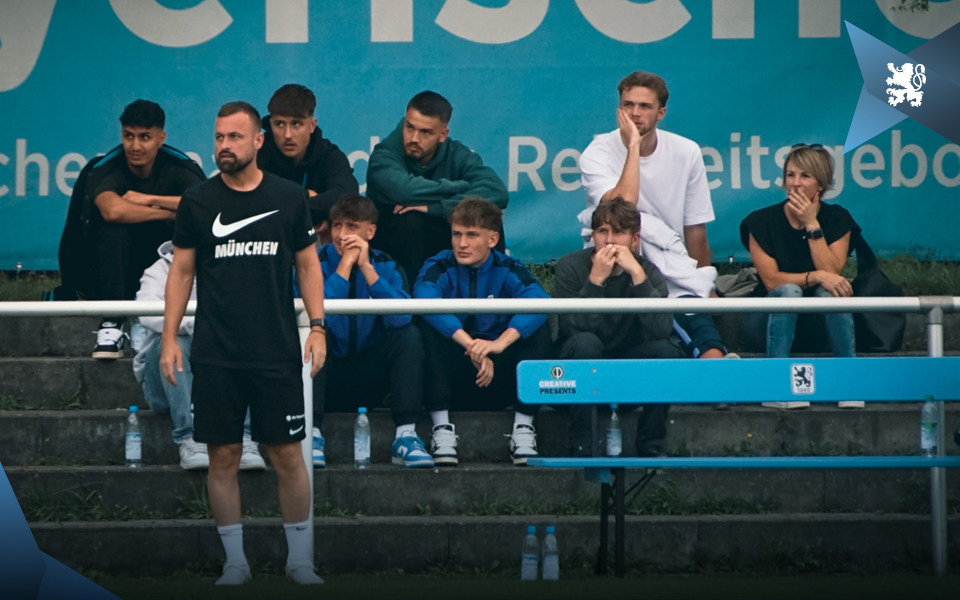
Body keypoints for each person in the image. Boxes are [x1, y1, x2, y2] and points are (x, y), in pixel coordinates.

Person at [161, 101, 327, 585]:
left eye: (234, 137)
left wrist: (317, 327)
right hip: (216, 353)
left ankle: (300, 561)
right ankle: (235, 562)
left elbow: (308, 266)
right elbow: (182, 271)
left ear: (259, 141)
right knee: (223, 456)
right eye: (218, 137)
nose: (224, 147)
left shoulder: (289, 197)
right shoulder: (198, 201)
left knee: (287, 456)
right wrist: (170, 338)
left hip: (276, 350)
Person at [577, 72, 731, 364]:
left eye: (645, 106)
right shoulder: (595, 153)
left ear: (662, 112)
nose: (635, 113)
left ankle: (720, 378)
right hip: (612, 261)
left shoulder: (687, 151)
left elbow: (695, 230)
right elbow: (623, 210)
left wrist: (701, 283)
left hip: (669, 266)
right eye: (627, 104)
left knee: (697, 323)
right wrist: (633, 147)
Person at [297, 195, 433, 469]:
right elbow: (315, 315)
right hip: (327, 374)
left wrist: (367, 270)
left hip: (370, 377)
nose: (342, 235)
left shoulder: (388, 265)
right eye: (337, 226)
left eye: (351, 227)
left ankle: (406, 434)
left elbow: (401, 318)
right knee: (312, 334)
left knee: (409, 336)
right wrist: (345, 267)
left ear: (370, 231)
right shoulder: (311, 263)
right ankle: (310, 433)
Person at [413, 198, 551, 466]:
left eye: (472, 235)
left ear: (492, 238)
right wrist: (473, 346)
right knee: (425, 328)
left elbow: (540, 303)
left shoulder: (509, 267)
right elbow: (424, 300)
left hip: (498, 375)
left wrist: (497, 345)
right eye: (456, 234)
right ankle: (441, 428)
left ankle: (523, 428)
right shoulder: (438, 265)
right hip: (454, 376)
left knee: (537, 328)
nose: (461, 244)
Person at [554, 198, 686, 457]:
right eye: (602, 232)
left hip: (628, 374)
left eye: (619, 232)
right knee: (585, 343)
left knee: (666, 350)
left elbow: (661, 329)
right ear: (593, 236)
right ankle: (582, 443)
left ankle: (652, 444)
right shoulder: (570, 267)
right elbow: (574, 329)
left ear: (635, 239)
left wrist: (638, 277)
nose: (610, 241)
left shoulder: (648, 271)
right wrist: (595, 281)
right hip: (577, 374)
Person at [740, 144, 861, 409]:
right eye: (790, 175)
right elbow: (772, 280)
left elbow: (832, 273)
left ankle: (848, 382)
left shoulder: (838, 218)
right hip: (768, 321)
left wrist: (812, 224)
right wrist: (814, 275)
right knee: (789, 291)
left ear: (821, 183)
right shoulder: (760, 221)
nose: (795, 183)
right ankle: (777, 387)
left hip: (817, 324)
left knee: (831, 291)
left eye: (805, 176)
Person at [85, 100, 205, 360]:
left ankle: (146, 317)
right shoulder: (109, 166)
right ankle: (113, 321)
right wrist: (166, 213)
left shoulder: (181, 167)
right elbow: (112, 210)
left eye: (145, 137)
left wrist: (148, 198)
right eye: (129, 136)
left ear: (161, 138)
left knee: (185, 228)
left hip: (166, 263)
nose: (135, 146)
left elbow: (206, 205)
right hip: (116, 265)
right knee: (113, 228)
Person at [133, 241, 264, 471]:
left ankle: (244, 436)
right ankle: (189, 438)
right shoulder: (158, 270)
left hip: (218, 382)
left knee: (247, 338)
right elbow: (147, 314)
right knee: (175, 340)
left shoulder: (231, 266)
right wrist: (203, 324)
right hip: (163, 384)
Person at [367, 91, 509, 282]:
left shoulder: (457, 154)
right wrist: (460, 187)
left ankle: (490, 299)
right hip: (392, 245)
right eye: (409, 127)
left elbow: (496, 191)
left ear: (443, 134)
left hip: (446, 235)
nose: (414, 138)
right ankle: (410, 308)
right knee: (411, 219)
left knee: (487, 217)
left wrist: (435, 208)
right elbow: (405, 191)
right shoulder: (383, 155)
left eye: (426, 132)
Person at [258, 84, 359, 240]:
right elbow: (257, 203)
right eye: (279, 124)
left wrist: (310, 214)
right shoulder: (259, 155)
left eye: (296, 124)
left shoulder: (328, 154)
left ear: (312, 125)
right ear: (271, 124)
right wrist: (306, 197)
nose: (287, 135)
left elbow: (347, 195)